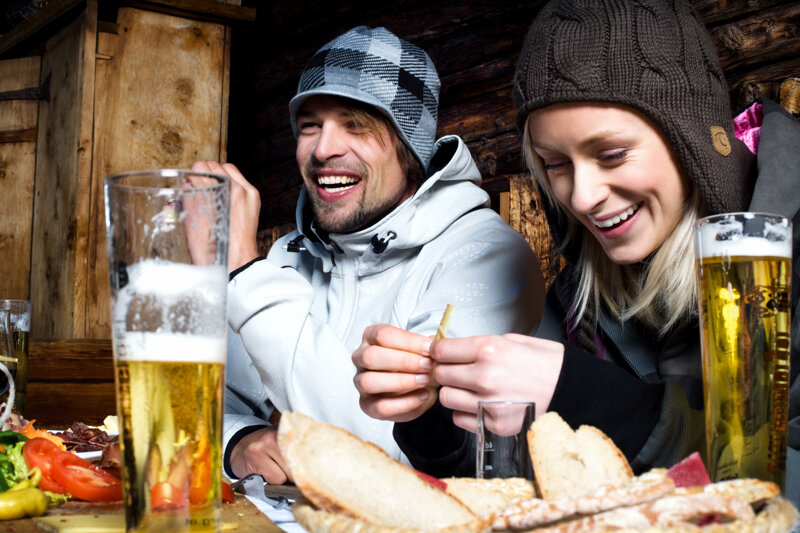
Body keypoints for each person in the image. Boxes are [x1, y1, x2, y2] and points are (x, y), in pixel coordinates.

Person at [353, 0, 800, 500]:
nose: (582, 197)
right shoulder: (576, 297)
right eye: (555, 164)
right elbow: (510, 489)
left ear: (690, 138)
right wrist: (430, 417)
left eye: (611, 155)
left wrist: (610, 407)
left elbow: (776, 499)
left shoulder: (779, 264)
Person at [194, 26, 545, 484]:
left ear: (408, 149)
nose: (322, 149)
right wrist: (238, 439)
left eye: (356, 124)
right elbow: (212, 400)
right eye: (310, 126)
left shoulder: (486, 258)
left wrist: (242, 267)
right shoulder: (286, 258)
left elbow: (395, 456)